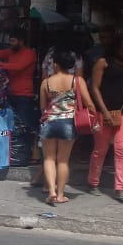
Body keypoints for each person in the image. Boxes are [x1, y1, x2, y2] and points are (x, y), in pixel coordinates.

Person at [39, 50, 95, 205]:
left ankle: (50, 191)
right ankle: (61, 194)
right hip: (68, 123)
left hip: (49, 122)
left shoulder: (46, 82)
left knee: (49, 158)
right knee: (63, 160)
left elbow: (43, 107)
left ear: (55, 64)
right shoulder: (77, 81)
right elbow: (89, 103)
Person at [88, 34, 123, 202]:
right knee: (100, 150)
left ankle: (120, 188)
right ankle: (93, 182)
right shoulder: (103, 62)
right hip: (104, 112)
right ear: (116, 47)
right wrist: (104, 111)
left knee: (122, 149)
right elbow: (94, 88)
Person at [0, 29, 38, 148]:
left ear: (21, 41)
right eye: (10, 41)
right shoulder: (11, 52)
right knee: (11, 123)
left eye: (13, 41)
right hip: (10, 93)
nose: (10, 43)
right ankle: (14, 149)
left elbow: (18, 67)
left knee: (25, 124)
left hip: (24, 95)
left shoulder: (29, 53)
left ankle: (29, 151)